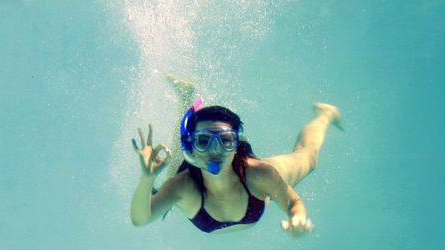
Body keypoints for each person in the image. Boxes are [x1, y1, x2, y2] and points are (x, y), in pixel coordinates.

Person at [130, 76, 342, 235]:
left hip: (247, 175)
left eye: (225, 141)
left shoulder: (260, 174)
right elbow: (141, 218)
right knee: (174, 169)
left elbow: (293, 202)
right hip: (192, 177)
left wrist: (298, 217)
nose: (215, 150)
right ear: (192, 147)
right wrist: (146, 179)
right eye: (204, 141)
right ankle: (186, 98)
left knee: (308, 158)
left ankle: (325, 113)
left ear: (236, 143)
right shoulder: (181, 186)